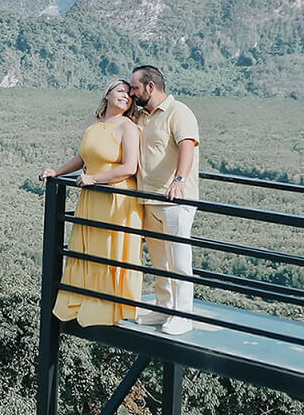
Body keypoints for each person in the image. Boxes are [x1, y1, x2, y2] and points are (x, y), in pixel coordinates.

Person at [42, 81, 145, 327]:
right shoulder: (92, 122)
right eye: (121, 91)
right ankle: (83, 297)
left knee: (109, 248)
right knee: (88, 248)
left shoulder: (128, 128)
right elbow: (83, 157)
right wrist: (56, 172)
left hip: (115, 197)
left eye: (130, 96)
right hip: (91, 193)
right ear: (107, 94)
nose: (126, 97)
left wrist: (93, 178)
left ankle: (110, 303)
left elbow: (130, 167)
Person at [129, 64, 201, 335]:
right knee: (160, 259)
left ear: (150, 86)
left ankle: (183, 315)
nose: (132, 93)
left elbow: (187, 144)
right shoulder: (143, 116)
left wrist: (179, 180)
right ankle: (163, 307)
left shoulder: (178, 111)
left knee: (179, 259)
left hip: (174, 199)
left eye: (135, 87)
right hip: (148, 198)